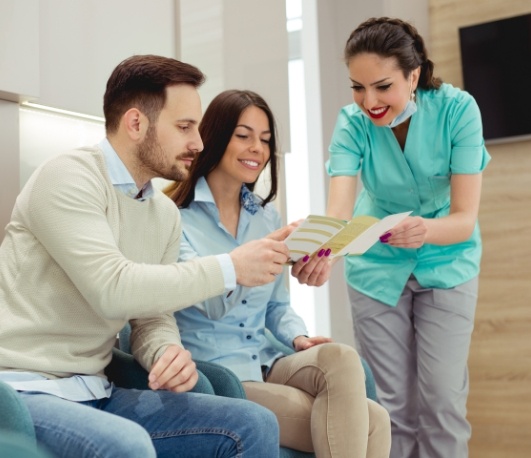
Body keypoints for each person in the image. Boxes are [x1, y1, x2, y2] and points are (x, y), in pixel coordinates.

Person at [0, 55, 290, 458]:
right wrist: (231, 267)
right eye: (185, 127)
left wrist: (165, 352)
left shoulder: (163, 214)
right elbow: (113, 289)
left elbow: (151, 316)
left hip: (97, 389)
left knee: (253, 423)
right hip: (22, 390)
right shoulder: (67, 178)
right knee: (127, 444)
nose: (199, 143)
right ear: (136, 124)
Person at [165, 89, 391, 458]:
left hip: (268, 358)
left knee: (342, 358)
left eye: (265, 140)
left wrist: (297, 337)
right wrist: (254, 256)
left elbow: (277, 306)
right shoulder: (174, 217)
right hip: (220, 373)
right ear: (215, 136)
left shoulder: (266, 217)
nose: (257, 147)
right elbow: (211, 305)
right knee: (374, 422)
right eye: (244, 135)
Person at [324, 17, 491, 458]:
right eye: (357, 88)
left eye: (382, 87)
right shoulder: (351, 123)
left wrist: (425, 231)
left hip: (447, 261)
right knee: (390, 408)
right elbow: (338, 212)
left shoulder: (458, 110)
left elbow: (464, 219)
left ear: (413, 75)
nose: (369, 102)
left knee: (442, 401)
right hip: (376, 266)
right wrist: (320, 250)